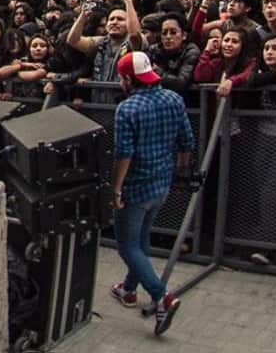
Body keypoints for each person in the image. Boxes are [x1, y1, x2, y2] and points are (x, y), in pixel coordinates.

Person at [109, 51, 193, 337]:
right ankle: (129, 290)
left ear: (128, 79)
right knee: (141, 240)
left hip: (135, 187)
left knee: (127, 245)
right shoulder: (174, 99)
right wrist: (177, 172)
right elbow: (186, 142)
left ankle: (161, 297)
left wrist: (116, 188)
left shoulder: (127, 109)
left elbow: (124, 154)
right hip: (162, 182)